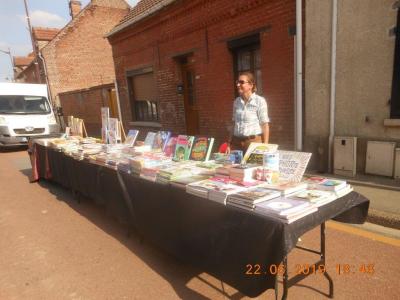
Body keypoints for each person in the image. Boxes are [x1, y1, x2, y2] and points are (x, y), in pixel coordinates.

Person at [227, 71, 270, 153]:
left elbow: (264, 125)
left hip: (253, 143)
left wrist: (266, 146)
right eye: (237, 82)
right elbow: (233, 123)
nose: (238, 85)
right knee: (234, 166)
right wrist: (229, 143)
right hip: (237, 143)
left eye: (241, 82)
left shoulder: (260, 101)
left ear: (251, 85)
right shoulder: (236, 102)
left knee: (254, 166)